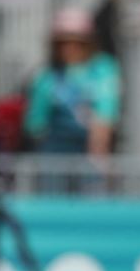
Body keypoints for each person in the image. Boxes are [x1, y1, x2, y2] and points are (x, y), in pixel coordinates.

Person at [23, 8, 120, 159]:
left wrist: (99, 148)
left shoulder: (102, 69)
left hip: (91, 148)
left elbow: (106, 110)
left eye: (76, 42)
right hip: (55, 149)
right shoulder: (47, 75)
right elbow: (36, 121)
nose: (68, 48)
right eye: (62, 43)